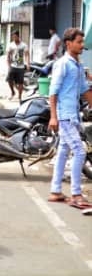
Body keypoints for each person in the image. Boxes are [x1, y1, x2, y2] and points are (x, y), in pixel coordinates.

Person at [48, 28, 92, 208]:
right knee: (80, 151)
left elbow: (85, 90)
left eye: (82, 42)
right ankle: (76, 194)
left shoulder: (78, 66)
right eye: (79, 42)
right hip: (64, 116)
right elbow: (53, 91)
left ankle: (56, 191)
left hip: (73, 116)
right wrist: (53, 117)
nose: (82, 45)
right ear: (68, 44)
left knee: (63, 153)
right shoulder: (62, 64)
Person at [6, 31, 30, 102]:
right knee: (9, 80)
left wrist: (28, 64)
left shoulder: (24, 45)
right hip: (13, 66)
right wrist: (8, 65)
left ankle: (19, 96)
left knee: (20, 82)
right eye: (13, 36)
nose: (14, 38)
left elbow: (27, 55)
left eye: (15, 36)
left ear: (18, 36)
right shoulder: (10, 45)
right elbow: (8, 55)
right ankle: (13, 92)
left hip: (21, 67)